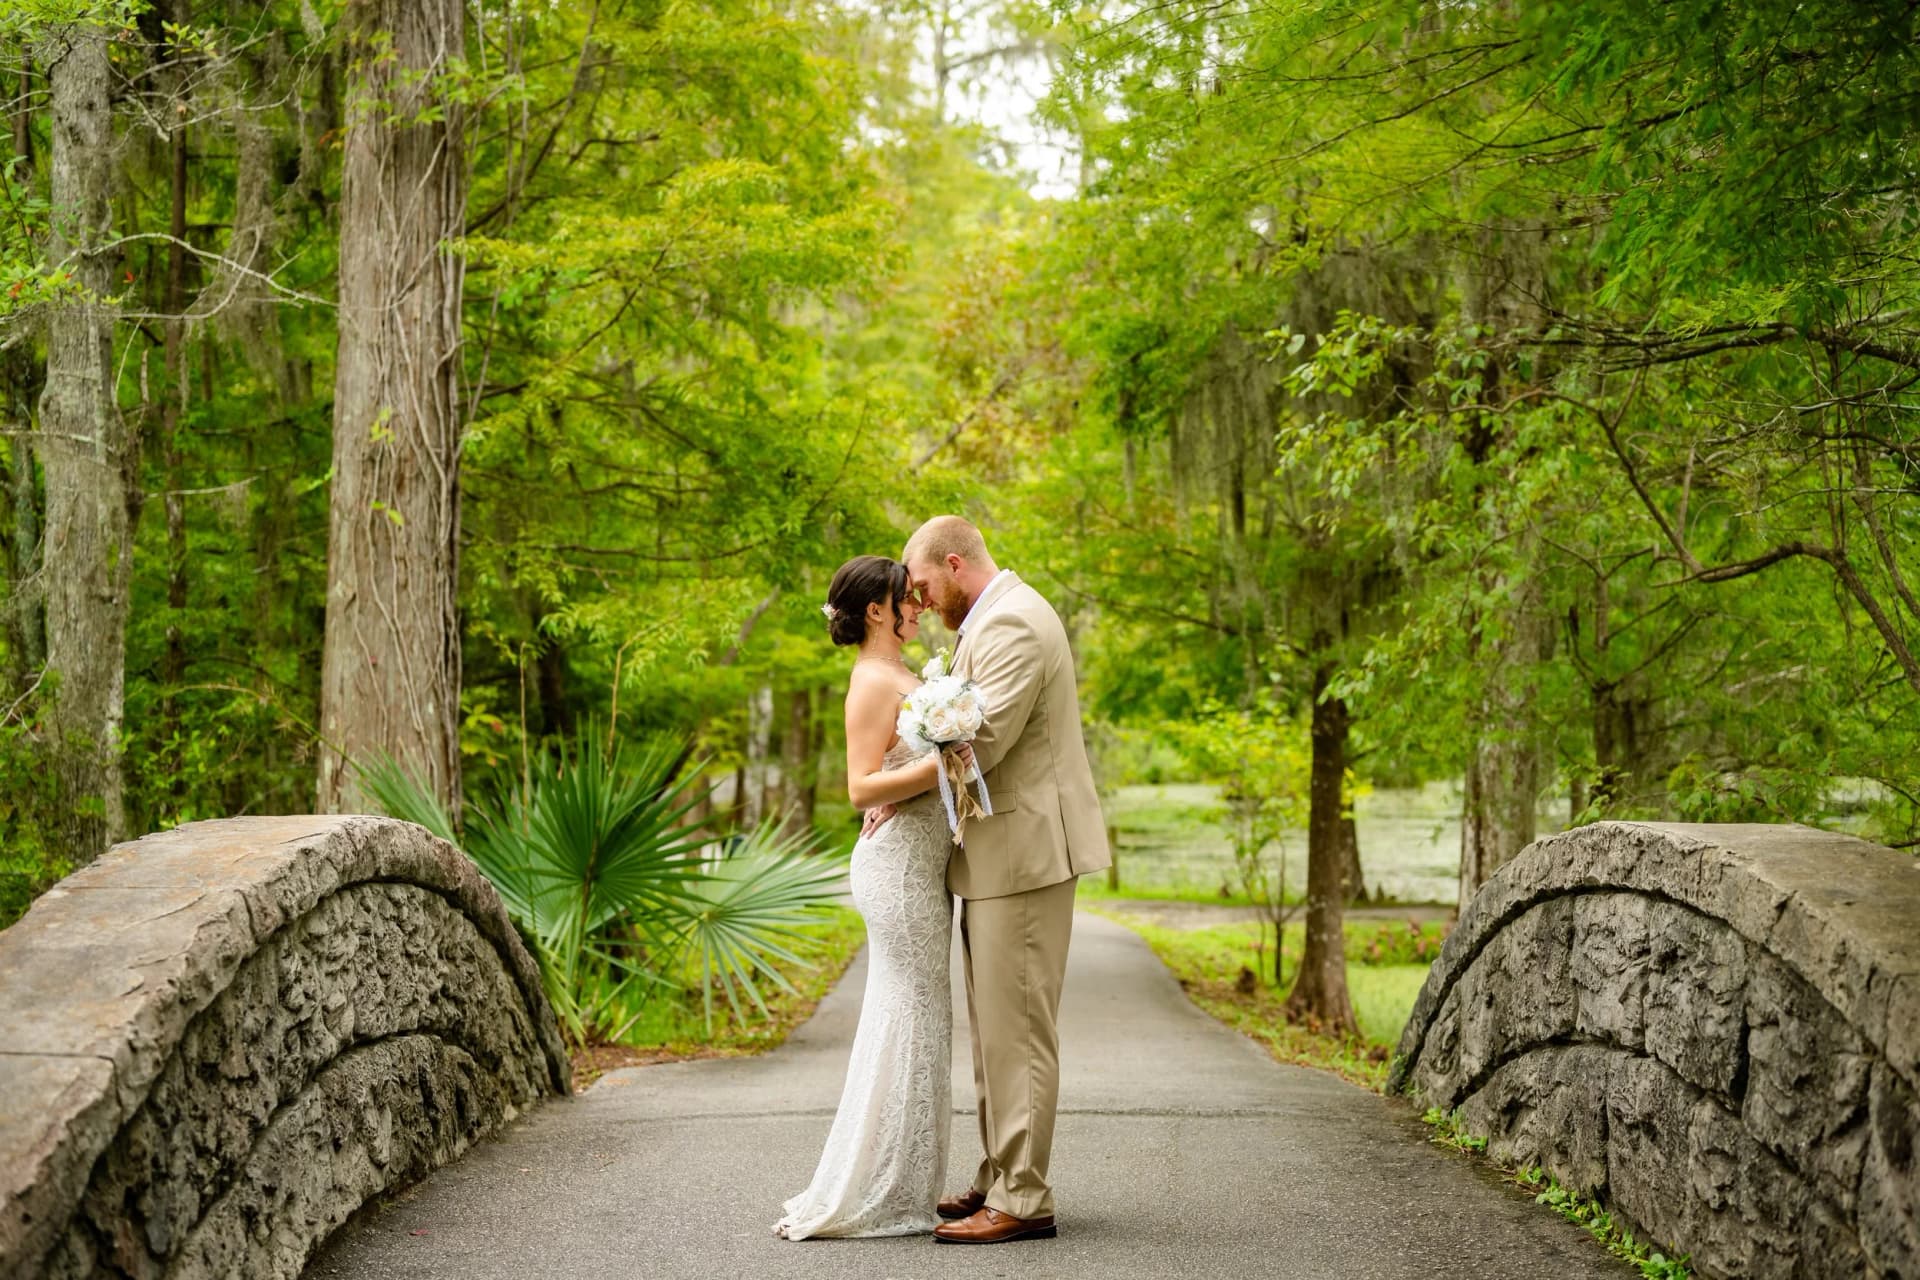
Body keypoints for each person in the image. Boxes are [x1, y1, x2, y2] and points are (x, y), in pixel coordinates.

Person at [898, 515, 1112, 1246]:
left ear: (955, 564)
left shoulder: (1016, 622)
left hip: (1025, 854)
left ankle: (1025, 1197)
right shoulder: (988, 620)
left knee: (1017, 1031)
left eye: (924, 585)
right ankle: (999, 1171)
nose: (919, 601)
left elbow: (980, 743)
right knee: (996, 1029)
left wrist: (891, 788)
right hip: (998, 856)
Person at [773, 555, 972, 1240]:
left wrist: (934, 763)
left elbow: (899, 767)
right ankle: (883, 1189)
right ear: (878, 612)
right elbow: (861, 787)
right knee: (910, 1012)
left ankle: (901, 1181)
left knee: (916, 1015)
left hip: (919, 862)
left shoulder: (906, 675)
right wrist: (942, 761)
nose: (917, 606)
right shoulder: (869, 682)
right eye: (906, 599)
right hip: (895, 870)